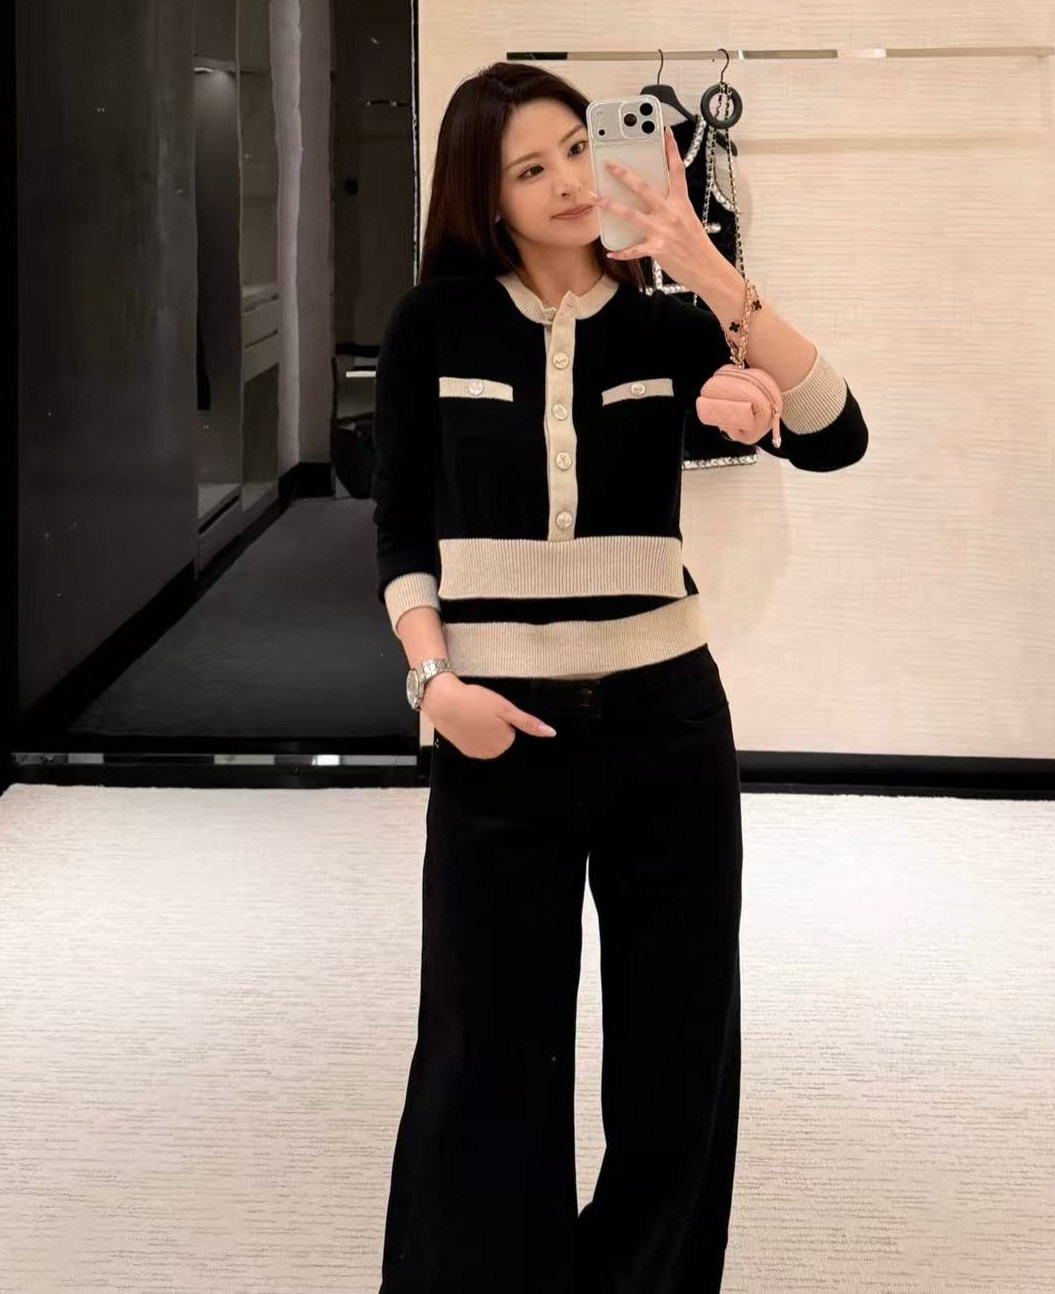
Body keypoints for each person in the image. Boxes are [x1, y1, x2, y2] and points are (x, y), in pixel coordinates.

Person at [373, 60, 867, 1294]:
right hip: (495, 729)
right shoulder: (434, 324)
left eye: (577, 149)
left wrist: (702, 264)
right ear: (484, 198)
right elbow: (400, 533)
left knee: (675, 1055)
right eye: (527, 168)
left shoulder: (669, 326)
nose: (565, 181)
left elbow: (835, 429)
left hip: (663, 726)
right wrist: (434, 688)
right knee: (484, 1057)